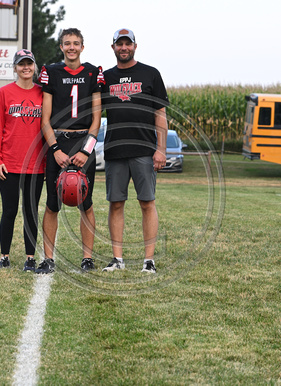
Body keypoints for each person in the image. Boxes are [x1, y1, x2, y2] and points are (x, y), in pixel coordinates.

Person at [101, 28, 169, 273]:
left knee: (147, 203)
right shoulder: (106, 77)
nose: (124, 48)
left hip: (144, 150)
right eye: (119, 44)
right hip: (115, 150)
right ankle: (117, 259)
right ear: (113, 48)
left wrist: (160, 149)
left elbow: (160, 115)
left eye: (127, 44)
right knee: (116, 204)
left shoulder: (150, 74)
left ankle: (148, 260)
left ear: (135, 46)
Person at [37, 27, 104, 274]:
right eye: (67, 43)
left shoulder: (92, 72)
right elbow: (45, 119)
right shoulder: (51, 72)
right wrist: (54, 149)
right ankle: (49, 258)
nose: (72, 47)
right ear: (61, 47)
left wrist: (86, 151)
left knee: (85, 203)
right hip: (58, 141)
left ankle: (87, 258)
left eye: (76, 43)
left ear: (82, 47)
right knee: (53, 203)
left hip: (82, 141)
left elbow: (97, 118)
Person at [0, 49, 45, 270]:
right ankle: (4, 255)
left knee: (30, 211)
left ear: (34, 67)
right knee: (10, 210)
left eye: (29, 64)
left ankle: (30, 257)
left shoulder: (43, 93)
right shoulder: (4, 92)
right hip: (9, 163)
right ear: (14, 68)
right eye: (21, 64)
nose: (25, 68)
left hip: (36, 164)